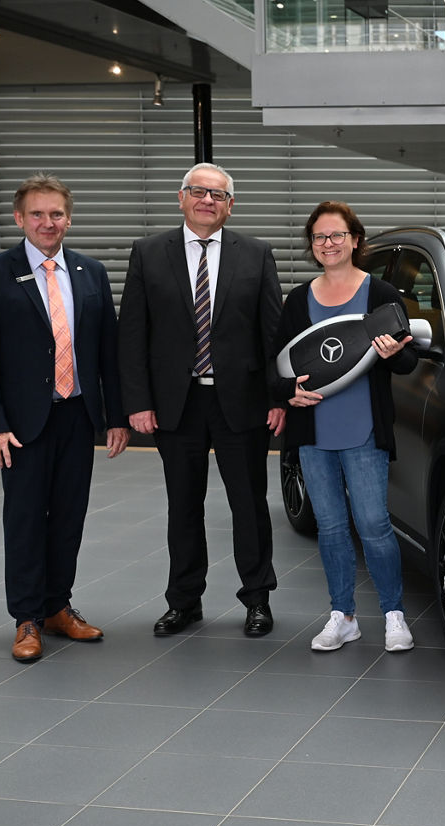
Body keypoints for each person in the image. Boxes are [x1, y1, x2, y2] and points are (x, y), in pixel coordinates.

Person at [0, 173, 130, 662]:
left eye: (56, 213)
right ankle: (27, 619)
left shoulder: (90, 272)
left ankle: (59, 606)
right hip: (20, 425)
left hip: (76, 416)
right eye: (37, 213)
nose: (47, 222)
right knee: (24, 521)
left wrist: (115, 416)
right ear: (19, 219)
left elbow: (107, 353)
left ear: (68, 218)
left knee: (68, 518)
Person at [117, 162, 284, 637]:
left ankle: (256, 599)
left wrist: (277, 398)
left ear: (230, 205)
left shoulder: (256, 254)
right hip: (177, 403)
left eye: (217, 195)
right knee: (183, 506)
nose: (207, 201)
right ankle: (184, 601)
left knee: (249, 506)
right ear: (181, 197)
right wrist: (138, 401)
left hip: (243, 402)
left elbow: (272, 334)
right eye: (198, 191)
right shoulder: (148, 254)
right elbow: (132, 333)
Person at [274, 201, 418, 653]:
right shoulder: (298, 300)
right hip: (314, 431)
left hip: (364, 429)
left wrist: (396, 354)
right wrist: (286, 394)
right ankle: (343, 615)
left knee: (373, 524)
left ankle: (394, 614)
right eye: (319, 237)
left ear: (356, 239)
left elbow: (409, 357)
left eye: (337, 235)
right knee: (332, 527)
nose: (328, 244)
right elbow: (277, 366)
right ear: (311, 245)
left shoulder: (382, 294)